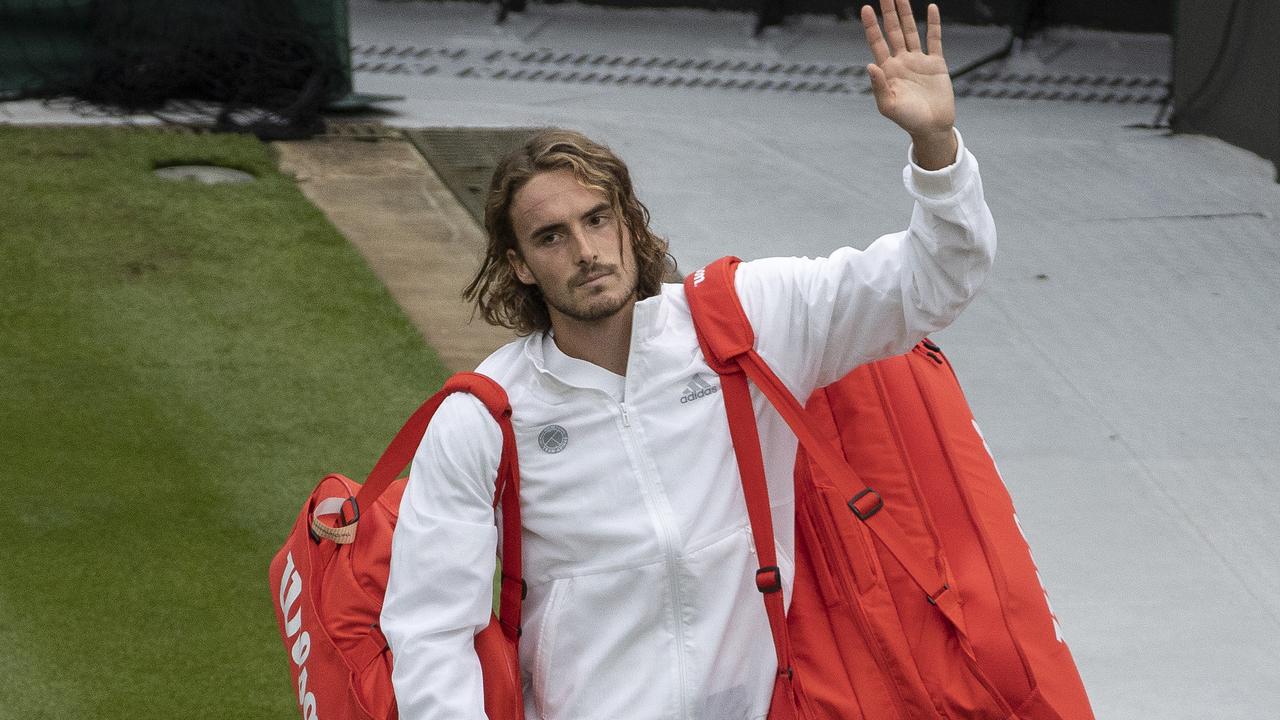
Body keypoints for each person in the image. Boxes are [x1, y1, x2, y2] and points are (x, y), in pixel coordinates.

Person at [381, 1, 996, 718]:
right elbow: (429, 629)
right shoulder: (484, 415)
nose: (584, 251)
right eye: (551, 237)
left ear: (626, 224)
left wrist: (936, 144)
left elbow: (934, 279)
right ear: (517, 265)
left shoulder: (742, 324)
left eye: (597, 219)